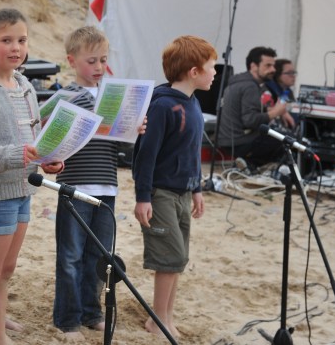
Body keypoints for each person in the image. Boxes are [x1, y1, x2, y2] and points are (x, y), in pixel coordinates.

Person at [0, 8, 62, 345]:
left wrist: (46, 160)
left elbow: (32, 141)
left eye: (22, 40)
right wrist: (15, 155)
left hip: (24, 190)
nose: (16, 47)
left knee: (5, 272)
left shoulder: (25, 85)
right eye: (6, 40)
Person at [132, 35, 217, 338]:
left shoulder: (193, 103)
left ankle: (166, 316)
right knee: (167, 258)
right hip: (161, 193)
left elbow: (192, 152)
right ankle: (156, 320)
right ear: (193, 71)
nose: (215, 73)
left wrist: (197, 188)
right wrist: (143, 197)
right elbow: (146, 154)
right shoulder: (162, 106)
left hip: (183, 192)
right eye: (211, 67)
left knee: (178, 258)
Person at [52, 26, 132, 338]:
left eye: (103, 60)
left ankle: (91, 312)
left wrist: (133, 129)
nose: (99, 67)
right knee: (70, 256)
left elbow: (122, 148)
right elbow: (54, 143)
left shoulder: (113, 97)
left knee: (99, 257)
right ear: (72, 61)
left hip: (107, 186)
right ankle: (67, 319)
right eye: (92, 61)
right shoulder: (66, 96)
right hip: (74, 187)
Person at [217, 46, 292, 170]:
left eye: (273, 66)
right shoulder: (250, 86)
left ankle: (250, 165)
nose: (273, 69)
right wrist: (275, 112)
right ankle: (250, 164)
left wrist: (274, 111)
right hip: (240, 142)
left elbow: (246, 111)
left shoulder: (239, 82)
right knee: (287, 140)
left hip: (228, 140)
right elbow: (250, 121)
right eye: (268, 65)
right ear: (253, 66)